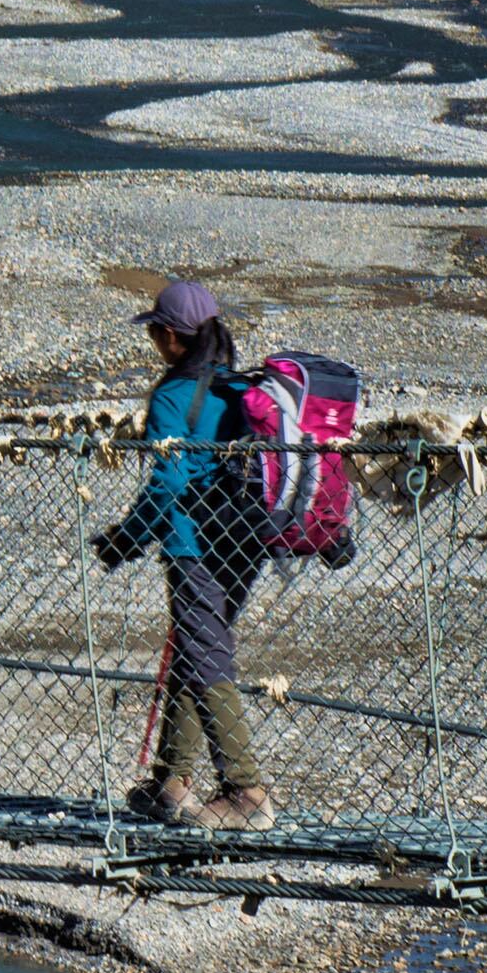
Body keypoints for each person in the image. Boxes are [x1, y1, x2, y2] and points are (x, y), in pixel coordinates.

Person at [91, 275, 275, 829]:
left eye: (156, 332)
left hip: (193, 545)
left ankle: (248, 794)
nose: (154, 341)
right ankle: (172, 781)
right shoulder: (238, 391)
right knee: (198, 651)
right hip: (246, 545)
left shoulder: (172, 397)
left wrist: (127, 538)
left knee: (206, 657)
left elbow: (168, 483)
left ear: (173, 337)